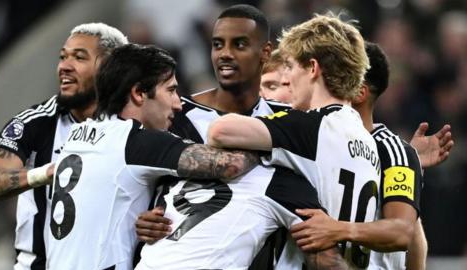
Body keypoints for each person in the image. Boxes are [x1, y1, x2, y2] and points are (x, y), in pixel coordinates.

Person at [47, 43, 259, 270]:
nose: (178, 104)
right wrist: (276, 136)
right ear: (138, 93)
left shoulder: (75, 136)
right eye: (170, 90)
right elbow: (231, 165)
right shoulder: (135, 141)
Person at [207, 13, 381, 269]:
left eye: (290, 66)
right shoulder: (366, 139)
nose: (287, 79)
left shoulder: (312, 126)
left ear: (312, 68)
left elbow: (219, 131)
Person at [135, 5, 299, 270]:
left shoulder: (289, 122)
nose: (225, 54)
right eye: (218, 45)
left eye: (239, 44)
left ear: (265, 53)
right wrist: (142, 219)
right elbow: (145, 186)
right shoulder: (176, 116)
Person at [287, 42, 454, 269]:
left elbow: (401, 232)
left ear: (358, 92)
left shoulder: (392, 152)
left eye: (332, 78)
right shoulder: (312, 137)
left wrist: (337, 229)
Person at [0, 23, 128, 269]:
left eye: (79, 57)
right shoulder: (37, 122)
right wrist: (43, 174)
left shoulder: (136, 124)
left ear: (110, 68)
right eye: (63, 57)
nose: (64, 66)